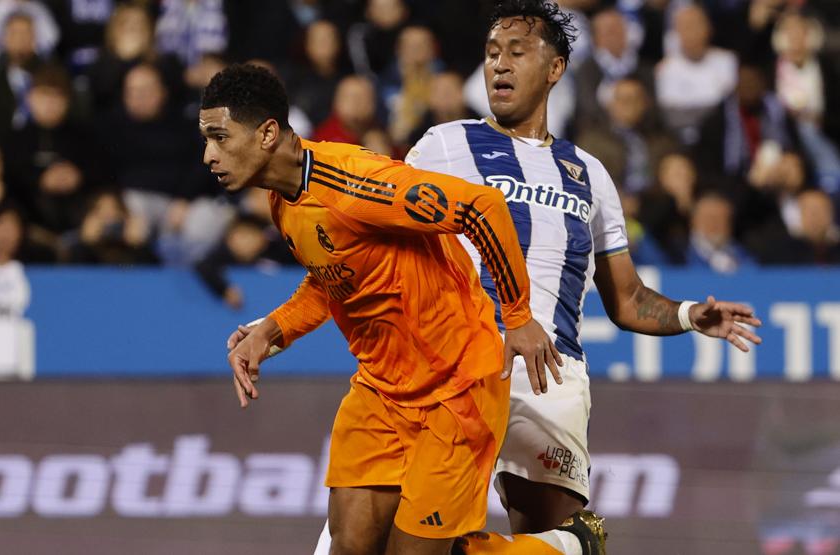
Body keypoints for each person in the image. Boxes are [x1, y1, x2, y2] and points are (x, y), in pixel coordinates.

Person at [393, 0, 756, 544]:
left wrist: (687, 315)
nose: (499, 64)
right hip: (455, 368)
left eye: (517, 52)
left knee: (551, 536)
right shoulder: (442, 145)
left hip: (551, 380)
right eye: (492, 53)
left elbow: (627, 299)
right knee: (401, 540)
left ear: (555, 68)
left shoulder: (590, 173)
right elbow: (386, 245)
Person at [204, 63, 600, 555]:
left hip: (456, 389)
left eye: (219, 137)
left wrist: (517, 317)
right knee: (350, 547)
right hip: (381, 390)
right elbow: (332, 276)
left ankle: (567, 548)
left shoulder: (358, 183)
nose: (208, 155)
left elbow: (483, 208)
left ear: (266, 134)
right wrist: (271, 330)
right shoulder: (282, 199)